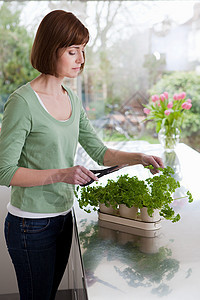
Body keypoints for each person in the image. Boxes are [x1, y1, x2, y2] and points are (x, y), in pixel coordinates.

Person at [0, 10, 164, 300]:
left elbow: (101, 152)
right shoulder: (22, 102)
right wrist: (63, 174)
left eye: (83, 51)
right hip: (31, 225)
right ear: (52, 50)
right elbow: (4, 171)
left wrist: (139, 157)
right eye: (73, 51)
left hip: (64, 218)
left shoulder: (71, 99)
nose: (81, 59)